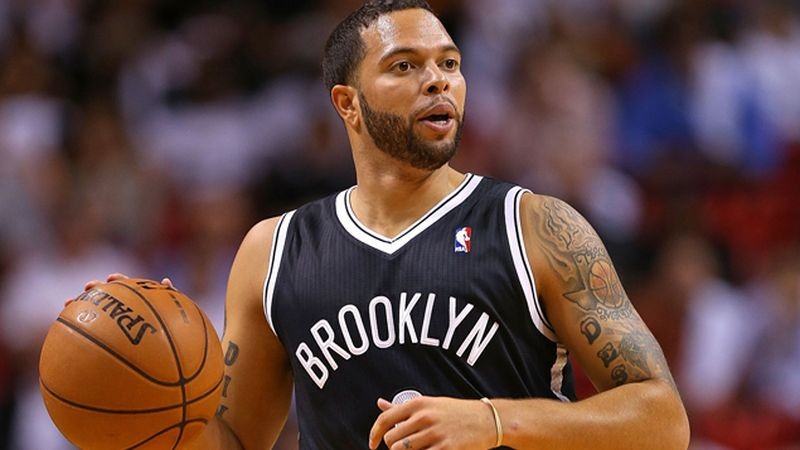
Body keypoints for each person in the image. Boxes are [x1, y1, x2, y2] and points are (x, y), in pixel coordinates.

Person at [85, 1, 689, 448]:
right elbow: (234, 440)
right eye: (404, 65)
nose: (438, 79)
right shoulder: (274, 251)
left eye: (449, 63)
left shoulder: (533, 226)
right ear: (347, 103)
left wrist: (494, 421)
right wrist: (150, 379)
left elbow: (663, 420)